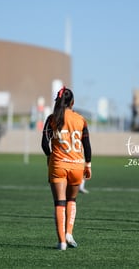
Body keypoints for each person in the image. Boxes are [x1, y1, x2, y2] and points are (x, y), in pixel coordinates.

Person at [41, 86, 92, 250]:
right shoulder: (81, 120)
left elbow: (44, 143)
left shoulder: (52, 119)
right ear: (73, 102)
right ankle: (69, 233)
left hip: (58, 164)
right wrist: (88, 164)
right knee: (72, 200)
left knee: (59, 203)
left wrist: (50, 156)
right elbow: (87, 146)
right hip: (77, 166)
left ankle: (62, 241)